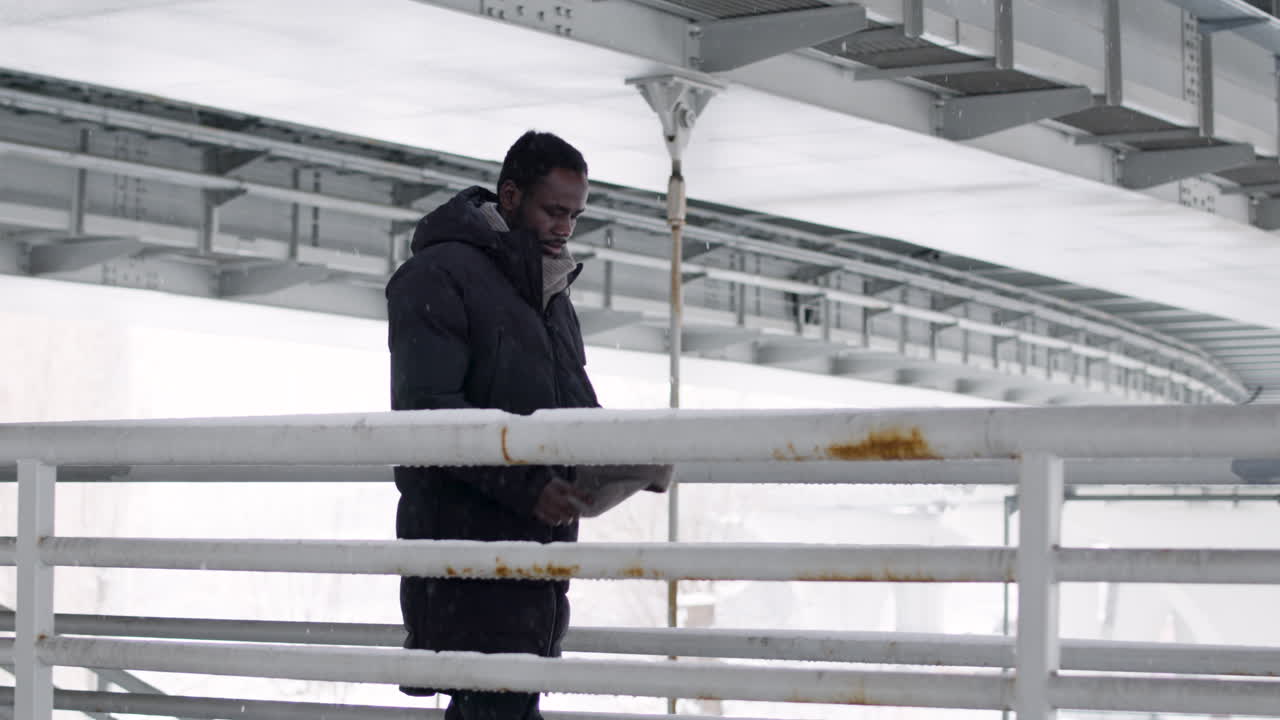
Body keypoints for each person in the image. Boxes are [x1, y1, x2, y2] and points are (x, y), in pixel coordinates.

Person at [386, 131, 601, 720]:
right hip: (470, 559)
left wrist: (623, 462)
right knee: (495, 706)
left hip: (531, 562)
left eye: (575, 216)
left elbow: (576, 407)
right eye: (553, 211)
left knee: (499, 708)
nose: (565, 228)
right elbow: (429, 414)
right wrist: (531, 488)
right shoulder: (437, 276)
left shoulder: (547, 290)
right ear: (509, 196)